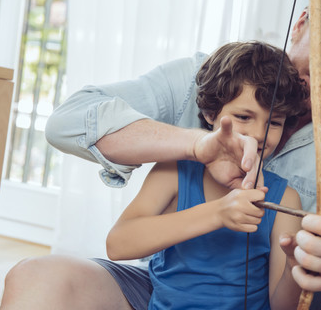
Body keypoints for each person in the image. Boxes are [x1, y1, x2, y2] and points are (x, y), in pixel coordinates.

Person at [1, 0, 321, 309]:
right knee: (34, 276)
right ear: (301, 24)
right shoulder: (209, 77)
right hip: (165, 293)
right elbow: (69, 121)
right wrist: (197, 146)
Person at [100, 41, 306, 309]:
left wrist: (294, 269)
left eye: (274, 122)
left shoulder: (286, 200)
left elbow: (282, 307)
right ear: (211, 113)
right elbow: (118, 245)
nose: (257, 133)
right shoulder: (175, 170)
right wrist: (219, 213)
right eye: (244, 116)